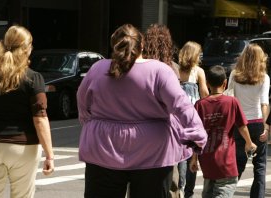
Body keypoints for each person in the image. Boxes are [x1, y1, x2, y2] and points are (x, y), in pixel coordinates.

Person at [77, 23, 207, 198]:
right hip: (153, 151)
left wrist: (89, 122)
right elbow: (181, 105)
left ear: (114, 45)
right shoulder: (159, 71)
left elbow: (83, 102)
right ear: (142, 46)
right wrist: (197, 134)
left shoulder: (98, 69)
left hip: (103, 148)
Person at [0, 25, 54, 198]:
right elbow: (40, 119)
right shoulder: (33, 77)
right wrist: (49, 155)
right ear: (27, 48)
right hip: (22, 147)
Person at [190, 65, 257, 198]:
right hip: (226, 164)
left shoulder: (199, 104)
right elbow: (242, 126)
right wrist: (249, 143)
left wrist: (193, 159)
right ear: (225, 83)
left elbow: (195, 135)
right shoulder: (232, 102)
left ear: (207, 83)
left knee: (208, 191)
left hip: (207, 162)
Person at [142, 23, 181, 197]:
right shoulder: (172, 69)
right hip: (165, 130)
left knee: (138, 178)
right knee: (170, 181)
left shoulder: (137, 67)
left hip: (139, 130)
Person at [228, 43, 270, 198]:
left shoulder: (234, 74)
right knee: (260, 166)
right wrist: (266, 127)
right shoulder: (264, 77)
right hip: (258, 122)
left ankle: (227, 193)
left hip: (239, 124)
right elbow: (264, 103)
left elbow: (230, 97)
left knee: (237, 164)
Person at [177, 40, 209, 198]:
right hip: (193, 117)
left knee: (179, 154)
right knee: (191, 152)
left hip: (177, 116)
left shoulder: (175, 70)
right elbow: (204, 94)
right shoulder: (198, 71)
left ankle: (179, 188)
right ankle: (187, 191)